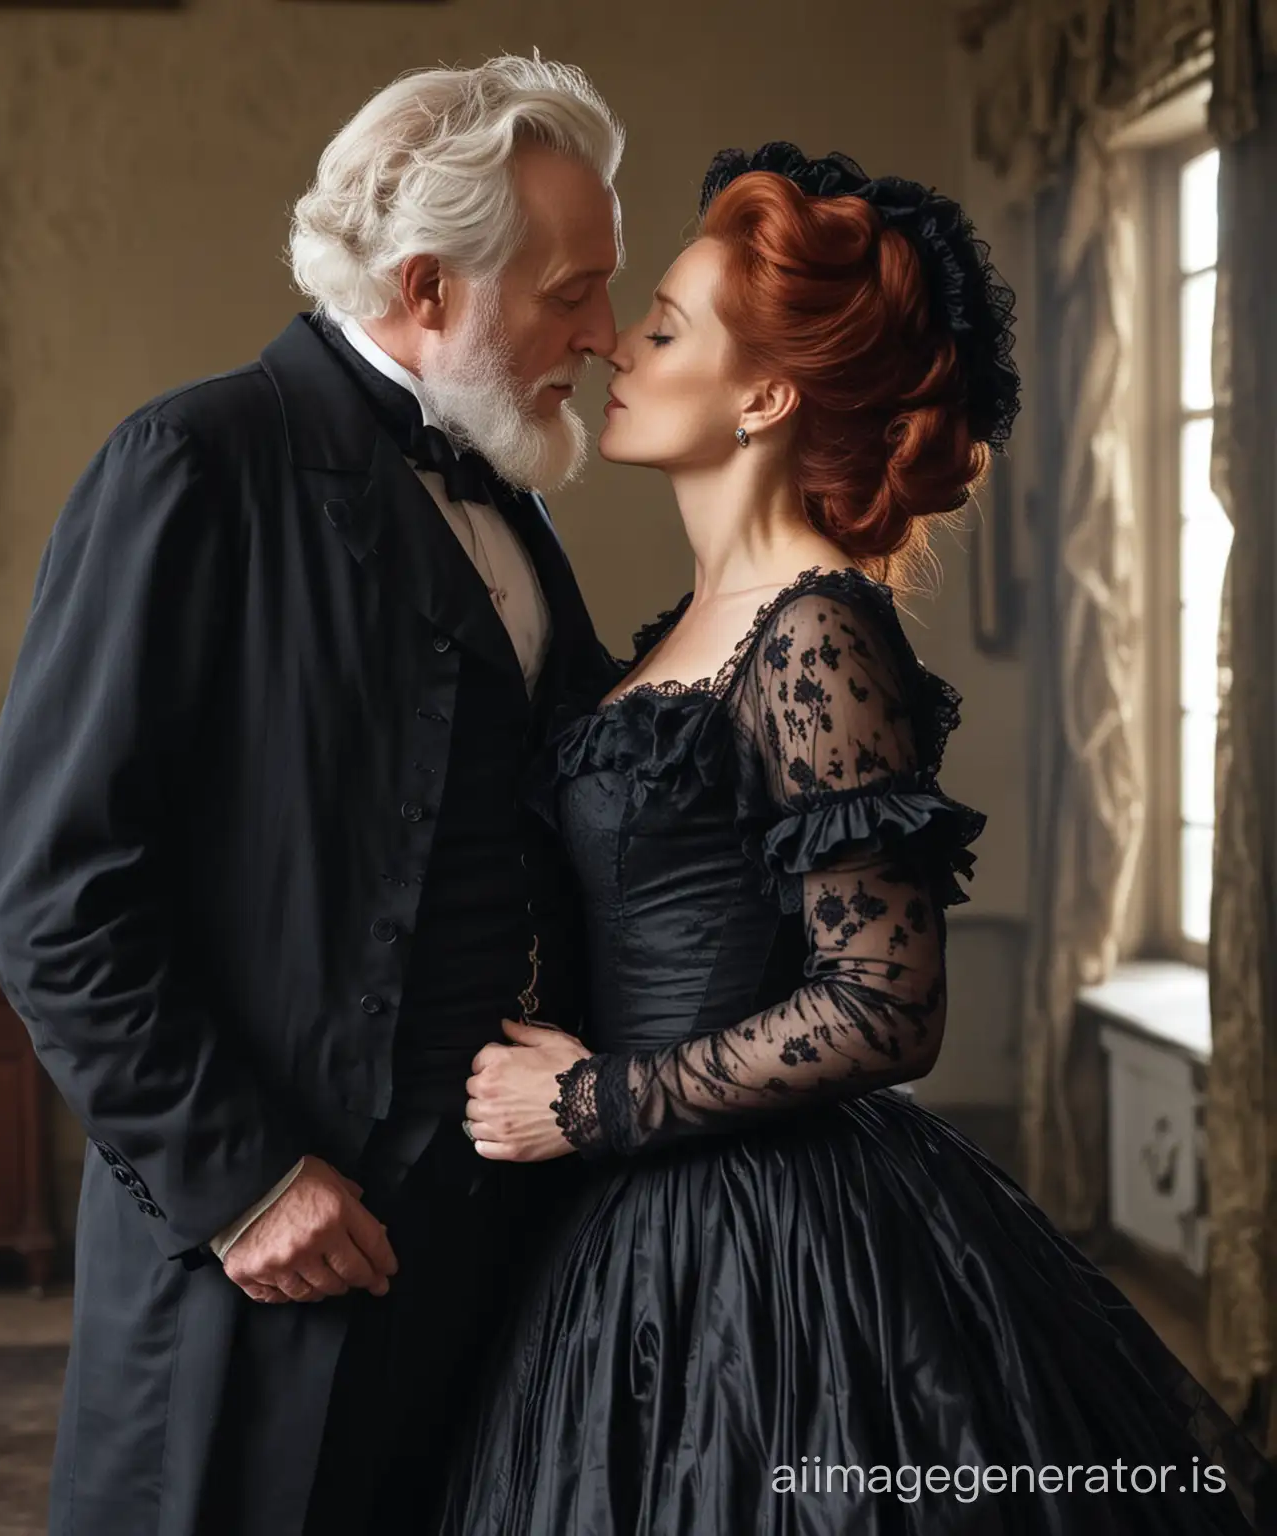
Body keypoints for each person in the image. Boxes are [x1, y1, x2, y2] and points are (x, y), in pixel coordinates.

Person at [442, 145, 1272, 1533]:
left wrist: (592, 1104)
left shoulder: (816, 629)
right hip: (638, 1222)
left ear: (764, 395)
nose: (618, 349)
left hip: (767, 1235)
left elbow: (886, 1005)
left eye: (665, 327)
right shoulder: (687, 629)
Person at [0, 54, 622, 1536]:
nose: (604, 332)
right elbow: (41, 888)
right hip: (264, 1254)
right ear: (430, 286)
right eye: (571, 291)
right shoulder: (189, 465)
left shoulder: (508, 492)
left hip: (482, 1241)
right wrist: (246, 1183)